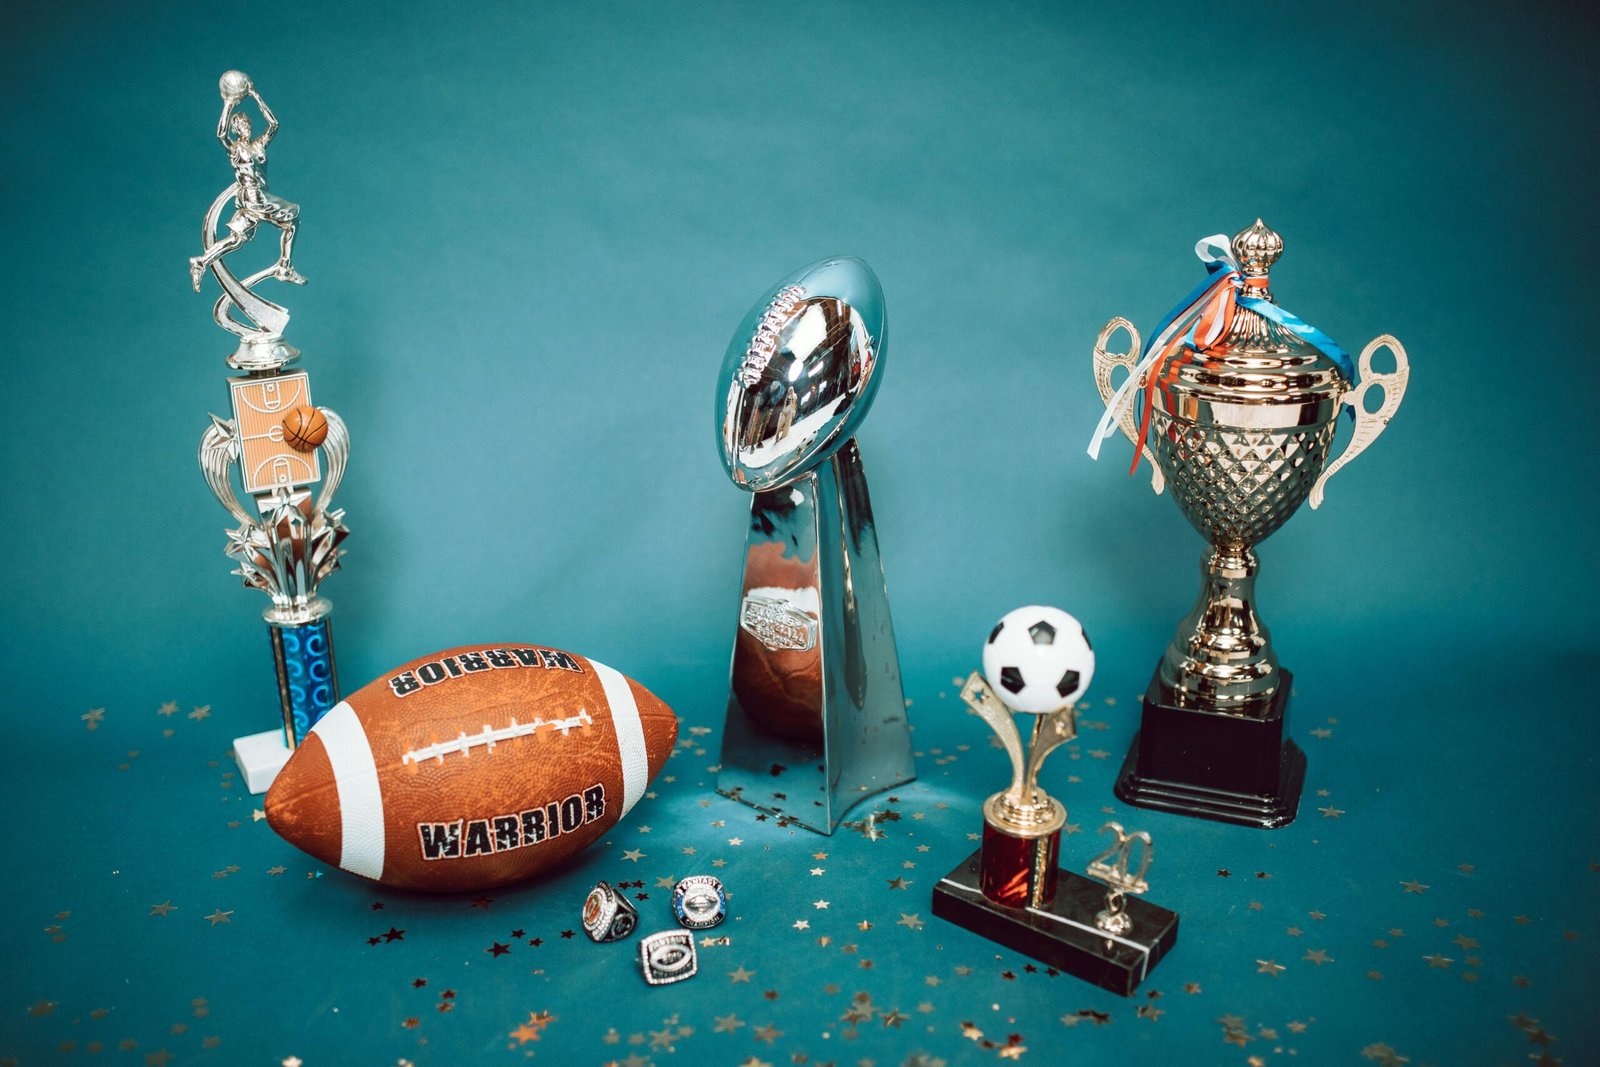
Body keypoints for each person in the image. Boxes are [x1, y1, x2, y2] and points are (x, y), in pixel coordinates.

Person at [188, 80, 305, 292]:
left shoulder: (258, 145)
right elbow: (221, 134)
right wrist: (228, 103)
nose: (246, 127)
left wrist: (255, 95)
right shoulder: (235, 149)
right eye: (241, 125)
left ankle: (201, 261)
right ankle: (284, 267)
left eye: (248, 124)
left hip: (254, 199)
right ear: (236, 128)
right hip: (254, 198)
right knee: (294, 216)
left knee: (236, 240)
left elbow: (274, 124)